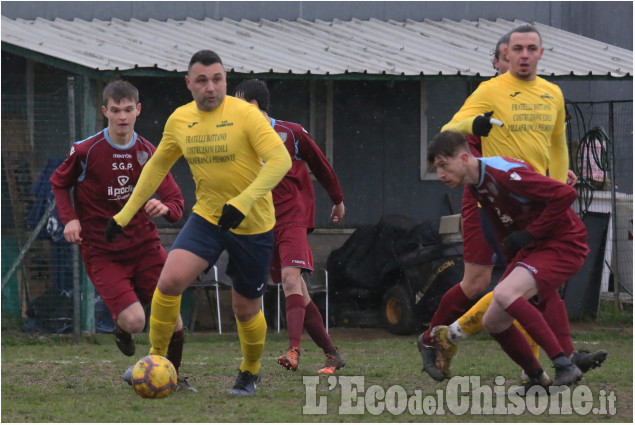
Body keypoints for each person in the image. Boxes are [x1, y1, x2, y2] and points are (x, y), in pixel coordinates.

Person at [105, 50, 292, 396]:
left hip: (252, 223)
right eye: (202, 80)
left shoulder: (246, 115)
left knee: (244, 307)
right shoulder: (179, 120)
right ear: (189, 84)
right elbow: (157, 167)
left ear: (225, 81)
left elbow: (280, 161)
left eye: (217, 79)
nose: (211, 87)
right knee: (170, 281)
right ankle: (155, 361)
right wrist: (124, 214)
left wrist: (244, 201)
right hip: (207, 217)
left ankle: (250, 371)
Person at [425, 31, 606, 383]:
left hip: (535, 199)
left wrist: (556, 178)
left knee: (531, 283)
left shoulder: (552, 92)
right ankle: (437, 338)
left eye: (530, 49)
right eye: (515, 50)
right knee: (483, 283)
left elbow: (556, 144)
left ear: (541, 53)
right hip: (492, 197)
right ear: (503, 57)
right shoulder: (490, 90)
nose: (522, 56)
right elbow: (450, 131)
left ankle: (554, 361)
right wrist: (472, 125)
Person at [49, 80, 195, 391]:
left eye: (128, 110)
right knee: (135, 321)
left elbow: (177, 204)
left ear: (138, 110)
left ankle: (174, 378)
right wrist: (70, 219)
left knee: (173, 317)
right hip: (103, 251)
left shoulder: (150, 153)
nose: (122, 117)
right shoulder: (86, 151)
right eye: (115, 110)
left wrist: (163, 207)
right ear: (105, 112)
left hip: (145, 247)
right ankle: (121, 328)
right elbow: (59, 183)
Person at [427, 130, 589, 389]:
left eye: (444, 166)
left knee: (504, 293)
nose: (441, 175)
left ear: (465, 158)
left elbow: (565, 195)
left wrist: (529, 234)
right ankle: (537, 379)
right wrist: (514, 255)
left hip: (563, 243)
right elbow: (502, 226)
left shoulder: (505, 175)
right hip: (536, 248)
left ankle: (564, 364)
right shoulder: (477, 184)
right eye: (437, 169)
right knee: (494, 321)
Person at [234, 79, 346, 374]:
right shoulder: (239, 138)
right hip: (262, 222)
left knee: (289, 277)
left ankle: (293, 350)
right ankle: (332, 354)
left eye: (237, 102)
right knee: (299, 291)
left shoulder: (291, 133)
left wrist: (337, 199)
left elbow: (321, 165)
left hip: (293, 216)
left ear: (253, 106)